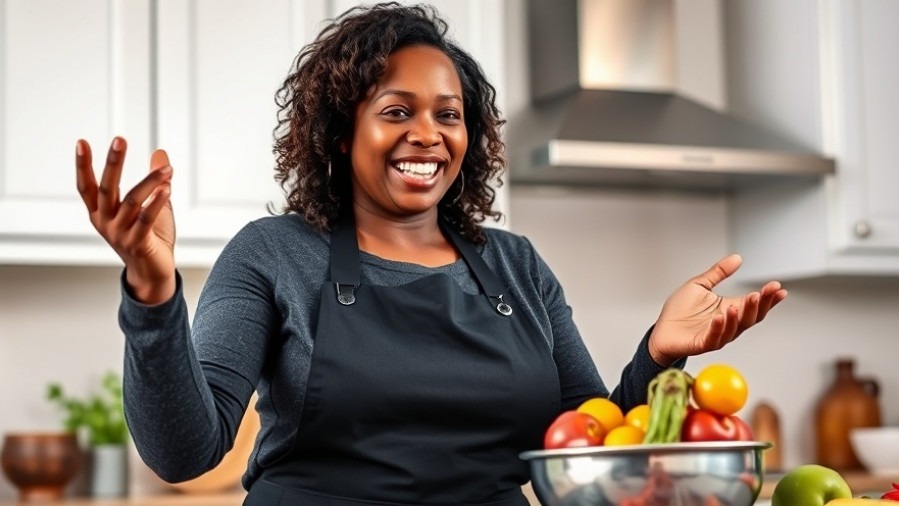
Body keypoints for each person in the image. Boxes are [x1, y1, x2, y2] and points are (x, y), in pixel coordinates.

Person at [73, 3, 787, 505]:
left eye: (448, 114)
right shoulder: (274, 254)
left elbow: (590, 447)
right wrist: (152, 295)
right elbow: (183, 453)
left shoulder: (516, 266)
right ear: (340, 133)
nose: (428, 133)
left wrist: (658, 355)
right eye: (396, 111)